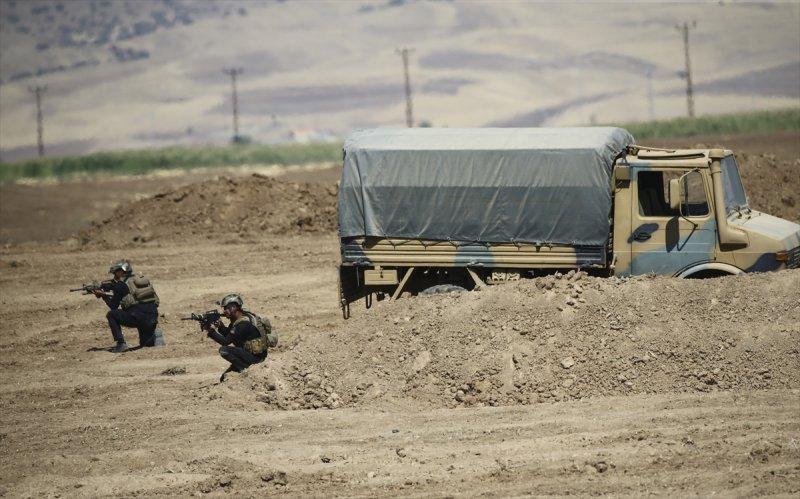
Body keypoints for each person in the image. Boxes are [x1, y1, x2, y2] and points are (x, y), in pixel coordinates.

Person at [203, 293, 273, 381]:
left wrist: (211, 332)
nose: (225, 311)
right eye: (225, 308)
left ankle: (247, 370)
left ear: (234, 307)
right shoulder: (239, 320)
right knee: (224, 378)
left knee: (224, 350)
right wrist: (220, 325)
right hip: (249, 355)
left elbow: (226, 341)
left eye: (227, 308)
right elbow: (229, 335)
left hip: (255, 359)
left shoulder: (243, 324)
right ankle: (243, 367)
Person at [94, 260, 160, 352]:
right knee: (146, 344)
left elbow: (113, 306)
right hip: (152, 318)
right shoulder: (142, 280)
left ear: (121, 271)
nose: (115, 277)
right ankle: (156, 336)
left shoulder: (121, 285)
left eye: (116, 273)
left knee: (111, 314)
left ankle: (121, 344)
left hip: (138, 318)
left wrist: (103, 296)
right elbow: (156, 302)